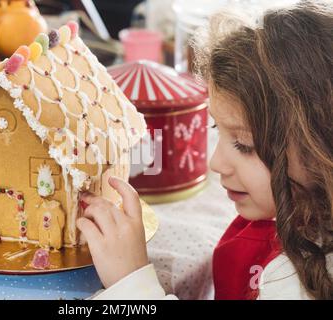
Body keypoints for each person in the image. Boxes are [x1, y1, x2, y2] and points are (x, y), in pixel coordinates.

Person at [77, 1, 333, 300]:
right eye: (216, 130)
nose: (216, 163)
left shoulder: (297, 287)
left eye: (244, 146)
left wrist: (131, 281)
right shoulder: (293, 216)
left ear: (320, 149)